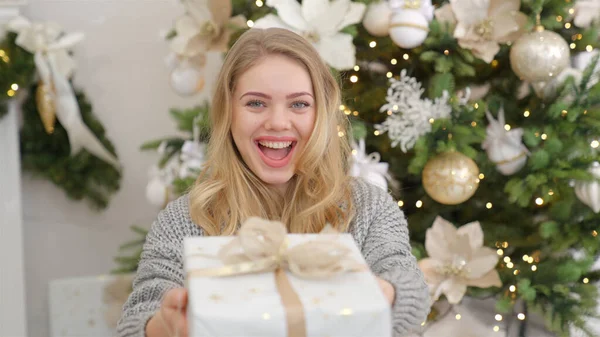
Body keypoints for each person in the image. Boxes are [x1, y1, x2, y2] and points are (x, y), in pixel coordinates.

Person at [117, 27, 430, 337]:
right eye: (255, 103)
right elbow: (137, 319)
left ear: (320, 113)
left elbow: (409, 288)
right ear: (229, 113)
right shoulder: (185, 220)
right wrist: (164, 325)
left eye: (299, 104)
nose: (278, 123)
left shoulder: (368, 206)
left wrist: (373, 294)